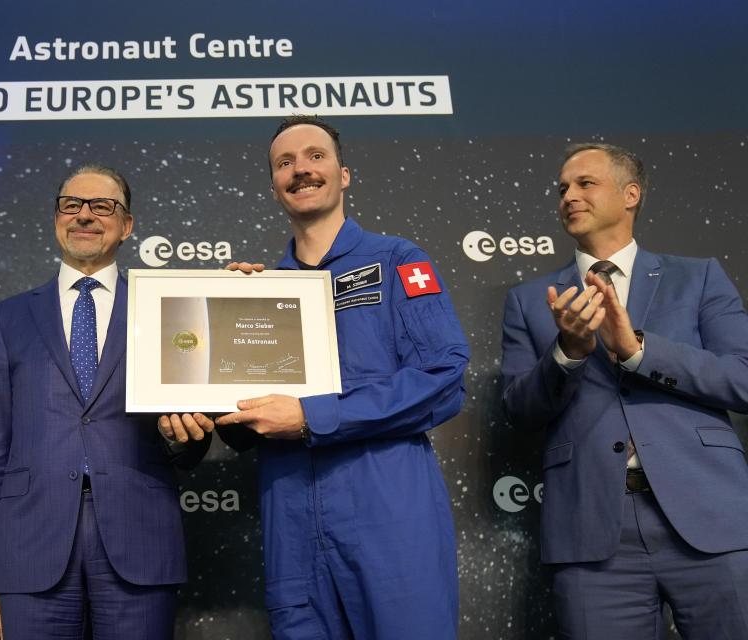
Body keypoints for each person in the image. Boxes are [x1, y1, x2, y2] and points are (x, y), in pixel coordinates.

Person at [168, 115, 469, 639]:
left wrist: (313, 415)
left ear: (343, 174)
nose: (301, 170)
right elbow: (239, 428)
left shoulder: (398, 260)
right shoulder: (260, 290)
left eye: (315, 156)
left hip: (389, 511)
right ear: (274, 187)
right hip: (291, 521)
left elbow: (444, 380)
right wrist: (224, 342)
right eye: (285, 163)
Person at [501, 142, 748, 637]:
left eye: (585, 183)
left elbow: (741, 378)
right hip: (591, 531)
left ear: (630, 193)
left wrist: (637, 349)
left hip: (709, 516)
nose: (569, 195)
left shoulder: (698, 278)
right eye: (563, 188)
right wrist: (567, 352)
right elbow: (519, 411)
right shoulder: (530, 302)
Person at [0, 165, 211, 640]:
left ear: (127, 225)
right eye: (71, 205)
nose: (84, 215)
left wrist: (185, 436)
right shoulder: (7, 317)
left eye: (102, 206)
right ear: (56, 219)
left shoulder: (168, 306)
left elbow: (191, 445)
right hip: (29, 546)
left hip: (138, 537)